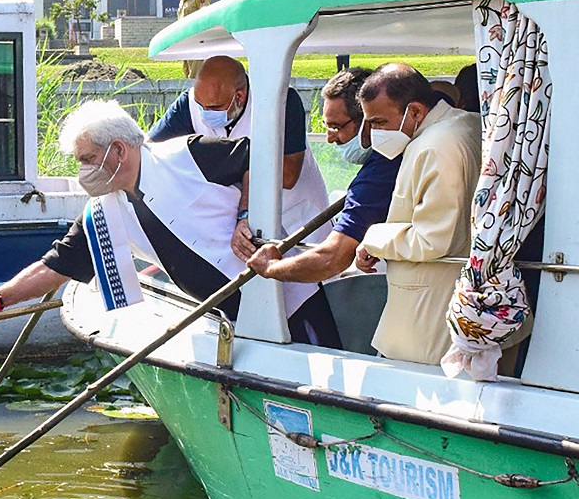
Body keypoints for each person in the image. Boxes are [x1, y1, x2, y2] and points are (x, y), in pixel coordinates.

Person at [0, 100, 341, 348]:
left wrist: (245, 214)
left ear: (118, 150)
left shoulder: (187, 155)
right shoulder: (103, 211)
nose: (82, 171)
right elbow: (53, 267)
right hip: (235, 319)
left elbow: (257, 160)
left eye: (87, 159)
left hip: (288, 296)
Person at [353, 63, 481, 364]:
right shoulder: (467, 124)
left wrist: (373, 238)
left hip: (430, 316)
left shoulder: (433, 146)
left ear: (415, 112)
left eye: (380, 121)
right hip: (449, 304)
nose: (374, 134)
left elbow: (433, 239)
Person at [148, 55, 332, 255]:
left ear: (240, 96)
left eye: (215, 108)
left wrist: (232, 164)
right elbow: (152, 151)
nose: (205, 114)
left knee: (313, 277)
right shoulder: (189, 105)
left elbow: (287, 176)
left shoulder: (280, 101)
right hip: (240, 227)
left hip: (298, 216)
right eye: (201, 105)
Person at [247, 68, 402, 283]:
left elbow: (332, 258)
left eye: (336, 127)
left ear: (368, 119)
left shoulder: (379, 173)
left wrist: (271, 267)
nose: (330, 139)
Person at [175, 0, 211, 79]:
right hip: (185, 39)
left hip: (197, 39)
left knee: (195, 74)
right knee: (186, 70)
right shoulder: (183, 0)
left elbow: (206, 16)